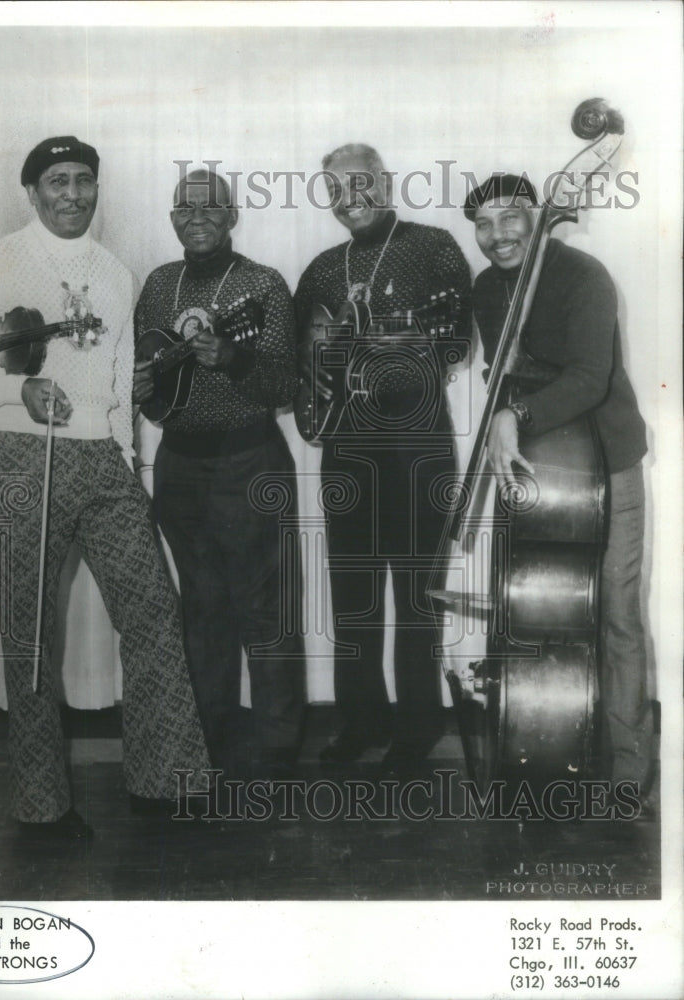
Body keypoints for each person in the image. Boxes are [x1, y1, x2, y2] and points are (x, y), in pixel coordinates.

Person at [0, 136, 210, 840]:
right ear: (31, 193)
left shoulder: (115, 273)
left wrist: (125, 458)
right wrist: (16, 391)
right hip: (19, 456)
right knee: (31, 630)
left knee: (152, 611)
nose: (72, 194)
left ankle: (165, 781)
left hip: (100, 457)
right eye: (56, 181)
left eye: (83, 180)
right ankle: (41, 805)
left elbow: (117, 381)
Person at [465, 173, 653, 803]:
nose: (497, 235)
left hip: (604, 460)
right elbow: (501, 373)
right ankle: (550, 740)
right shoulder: (487, 287)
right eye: (483, 224)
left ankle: (628, 768)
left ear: (538, 218)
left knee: (616, 612)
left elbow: (590, 379)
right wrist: (503, 408)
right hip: (536, 463)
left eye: (510, 218)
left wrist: (515, 413)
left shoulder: (584, 276)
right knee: (533, 602)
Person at [294, 143, 472, 773]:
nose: (348, 200)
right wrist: (318, 363)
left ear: (385, 183)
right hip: (346, 450)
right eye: (335, 190)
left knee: (418, 597)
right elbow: (301, 358)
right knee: (353, 597)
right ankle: (361, 720)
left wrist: (389, 343)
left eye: (359, 184)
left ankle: (418, 727)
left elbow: (455, 341)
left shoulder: (434, 247)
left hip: (417, 445)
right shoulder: (322, 269)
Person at [133, 168, 305, 779]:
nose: (197, 217)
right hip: (179, 463)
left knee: (265, 606)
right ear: (172, 218)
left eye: (211, 207)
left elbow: (285, 385)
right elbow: (149, 379)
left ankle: (279, 745)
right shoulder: (159, 284)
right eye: (185, 207)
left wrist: (232, 357)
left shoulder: (262, 284)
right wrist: (143, 387)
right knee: (201, 606)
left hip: (249, 460)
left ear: (232, 216)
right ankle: (207, 736)